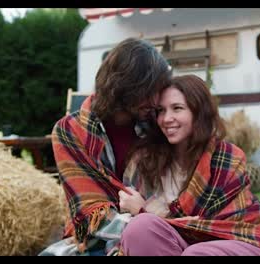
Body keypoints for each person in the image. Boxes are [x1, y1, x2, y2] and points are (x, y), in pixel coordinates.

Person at [118, 75, 260, 256]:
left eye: (177, 108)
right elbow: (130, 220)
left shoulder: (226, 158)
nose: (166, 118)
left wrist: (147, 209)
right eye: (160, 111)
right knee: (139, 227)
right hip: (178, 245)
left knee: (197, 252)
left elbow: (219, 228)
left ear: (199, 112)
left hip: (234, 243)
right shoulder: (145, 160)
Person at [45, 38, 171, 256]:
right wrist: (149, 223)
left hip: (156, 231)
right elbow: (91, 213)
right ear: (123, 85)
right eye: (147, 91)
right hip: (98, 238)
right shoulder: (70, 130)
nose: (155, 100)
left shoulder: (154, 124)